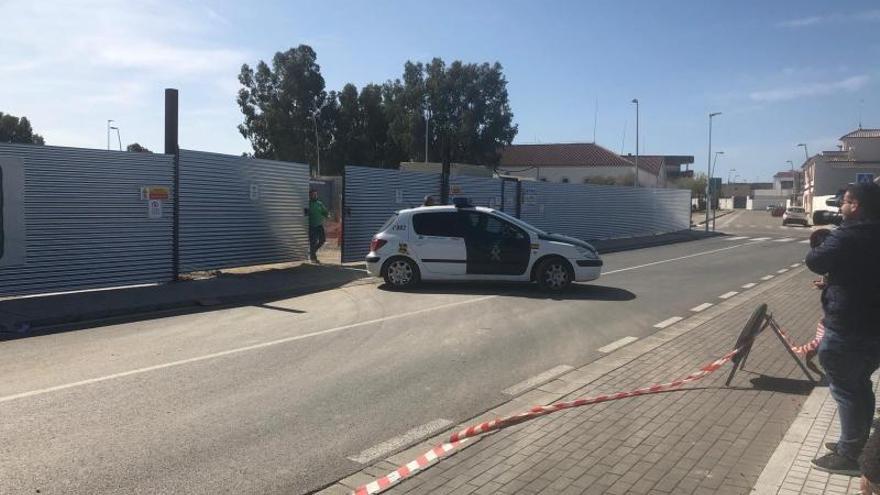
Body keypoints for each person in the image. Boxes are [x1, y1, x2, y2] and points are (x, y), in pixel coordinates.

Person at [806, 182, 880, 475]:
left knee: (846, 389)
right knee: (861, 384)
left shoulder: (848, 235)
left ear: (857, 205)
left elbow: (814, 260)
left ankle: (849, 454)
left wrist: (828, 239)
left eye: (846, 202)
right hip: (874, 327)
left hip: (848, 326)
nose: (841, 207)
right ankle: (859, 442)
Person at [308, 189, 330, 263]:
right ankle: (313, 258)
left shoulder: (319, 203)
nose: (315, 196)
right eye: (313, 194)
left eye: (316, 194)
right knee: (313, 242)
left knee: (322, 240)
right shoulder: (308, 204)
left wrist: (327, 215)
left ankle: (312, 252)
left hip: (319, 225)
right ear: (310, 195)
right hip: (311, 226)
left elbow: (325, 212)